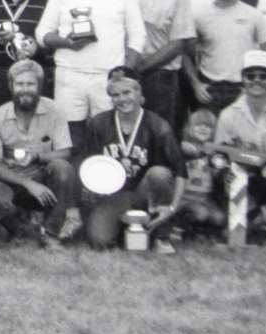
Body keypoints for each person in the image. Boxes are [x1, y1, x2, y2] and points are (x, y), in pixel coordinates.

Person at [35, 0, 145, 140]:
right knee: (69, 138)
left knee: (109, 137)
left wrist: (125, 73)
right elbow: (42, 34)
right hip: (70, 75)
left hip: (109, 76)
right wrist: (67, 43)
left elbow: (137, 34)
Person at [78, 69, 185, 251]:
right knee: (99, 241)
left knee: (159, 174)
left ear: (139, 93)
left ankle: (162, 236)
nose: (122, 99)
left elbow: (181, 172)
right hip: (113, 195)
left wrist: (173, 208)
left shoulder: (158, 125)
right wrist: (90, 189)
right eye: (115, 95)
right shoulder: (98, 123)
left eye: (127, 92)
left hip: (146, 193)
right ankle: (128, 229)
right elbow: (88, 165)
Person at [0, 59, 80, 246]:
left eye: (31, 84)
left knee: (62, 168)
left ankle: (51, 232)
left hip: (43, 178)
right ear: (11, 86)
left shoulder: (55, 110)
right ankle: (20, 227)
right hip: (11, 180)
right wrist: (27, 183)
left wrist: (38, 156)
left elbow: (64, 152)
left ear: (40, 86)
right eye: (20, 84)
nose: (25, 89)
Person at [213, 50, 266, 248]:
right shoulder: (228, 114)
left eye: (264, 76)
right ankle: (255, 217)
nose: (257, 81)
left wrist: (248, 155)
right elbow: (220, 157)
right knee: (228, 180)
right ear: (242, 79)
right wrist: (248, 160)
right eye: (250, 76)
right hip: (240, 178)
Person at [189, 0, 266, 114]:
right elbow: (184, 51)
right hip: (209, 88)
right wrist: (195, 84)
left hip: (241, 89)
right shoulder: (199, 15)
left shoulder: (253, 15)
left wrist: (259, 85)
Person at [132, 0, 195, 125]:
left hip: (161, 78)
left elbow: (178, 44)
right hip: (129, 75)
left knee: (160, 134)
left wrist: (141, 68)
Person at [172, 108, 223, 233]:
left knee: (219, 218)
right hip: (185, 197)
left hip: (204, 198)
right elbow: (177, 148)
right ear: (189, 128)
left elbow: (215, 175)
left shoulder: (213, 152)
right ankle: (178, 224)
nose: (203, 128)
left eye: (208, 126)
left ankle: (199, 230)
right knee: (201, 214)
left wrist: (217, 167)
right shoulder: (185, 147)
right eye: (198, 125)